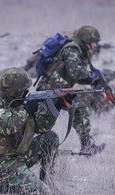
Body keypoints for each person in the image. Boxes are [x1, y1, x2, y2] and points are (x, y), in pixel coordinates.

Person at [0, 67, 73, 195]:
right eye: (24, 90)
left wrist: (57, 105)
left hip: (19, 156)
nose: (27, 92)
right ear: (14, 90)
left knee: (51, 137)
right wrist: (27, 109)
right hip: (0, 164)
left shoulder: (19, 104)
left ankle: (47, 180)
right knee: (40, 193)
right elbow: (9, 125)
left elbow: (41, 128)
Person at [35, 25, 106, 155]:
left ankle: (87, 145)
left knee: (79, 108)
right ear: (86, 41)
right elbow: (74, 72)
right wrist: (91, 76)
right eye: (94, 42)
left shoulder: (78, 50)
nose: (95, 46)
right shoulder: (73, 50)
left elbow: (73, 75)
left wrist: (92, 81)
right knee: (79, 108)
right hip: (49, 88)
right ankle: (87, 146)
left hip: (56, 87)